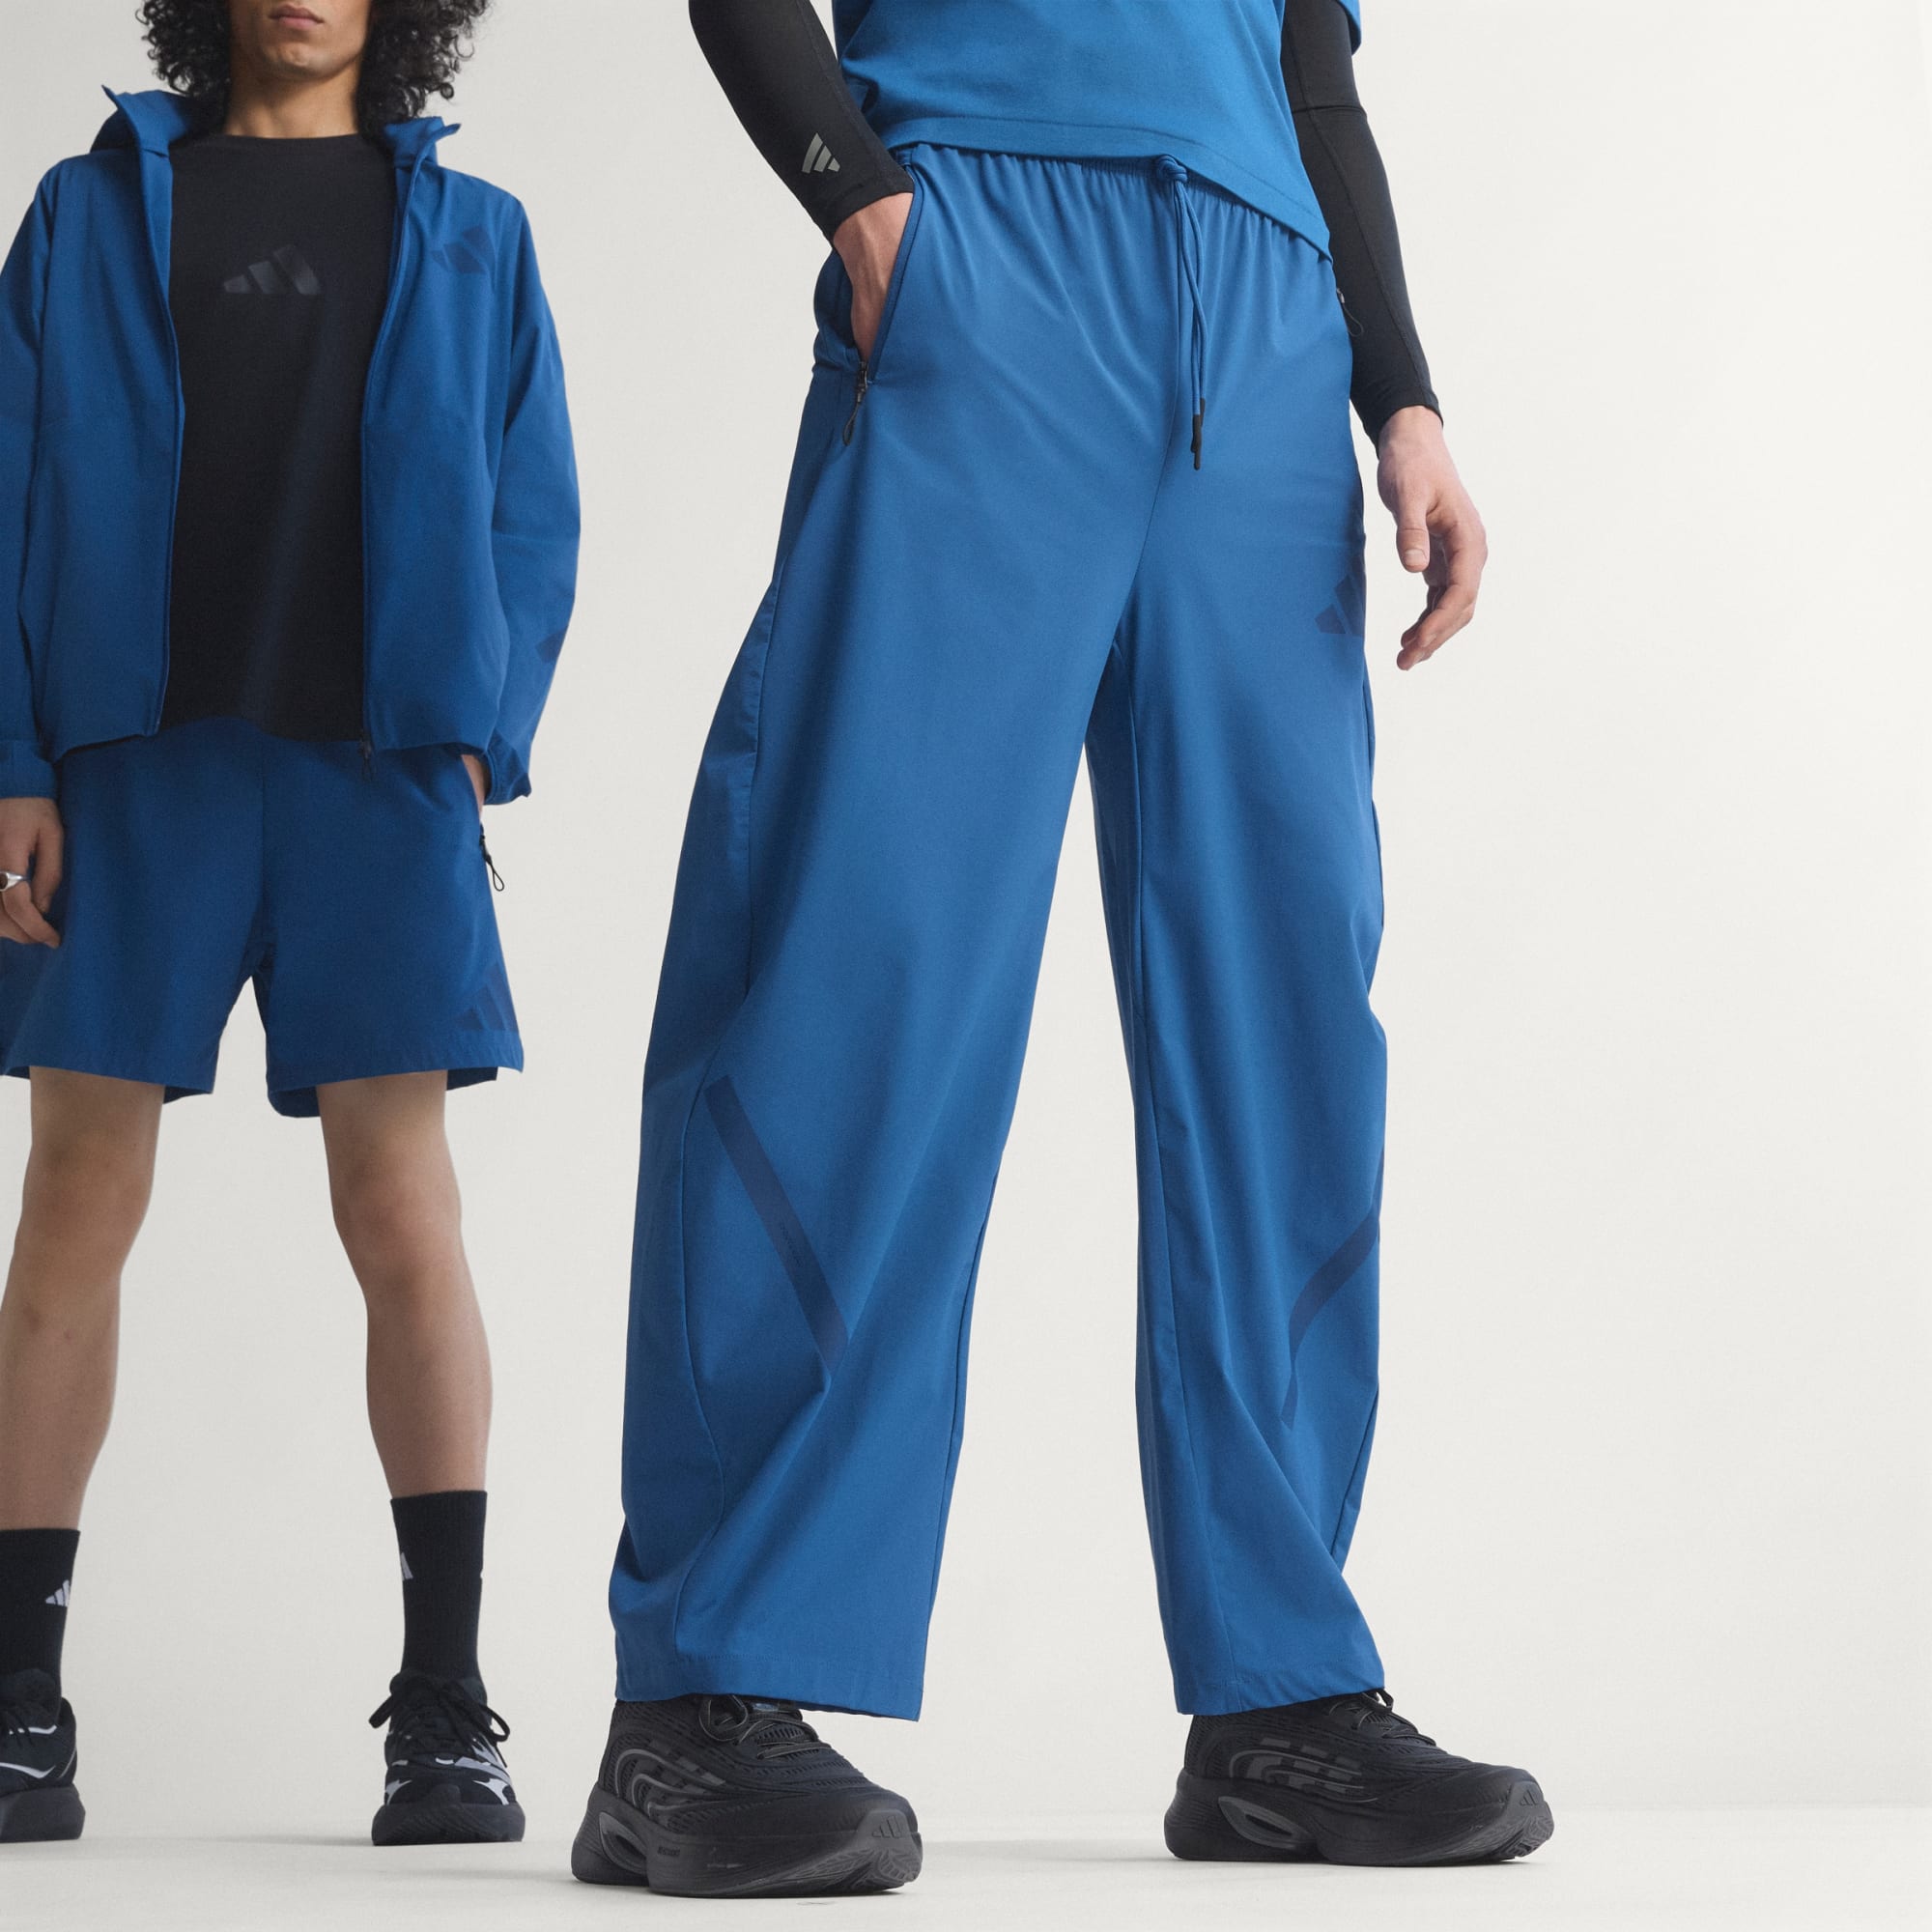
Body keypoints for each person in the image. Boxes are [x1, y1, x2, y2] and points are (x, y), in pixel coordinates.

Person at [571, 0, 1547, 1898]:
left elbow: (1311, 69)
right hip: (984, 259)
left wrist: (1401, 395)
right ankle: (701, 1698)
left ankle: (1281, 1698)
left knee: (1282, 1022)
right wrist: (861, 205)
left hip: (1265, 324)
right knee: (865, 965)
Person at [0, 0, 576, 1848]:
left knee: (403, 1214)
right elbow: (1, 484)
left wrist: (482, 738)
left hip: (379, 774)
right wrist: (12, 762)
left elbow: (534, 504)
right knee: (73, 1204)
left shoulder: (474, 231)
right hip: (131, 769)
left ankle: (446, 1710)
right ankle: (16, 1702)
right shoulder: (86, 209)